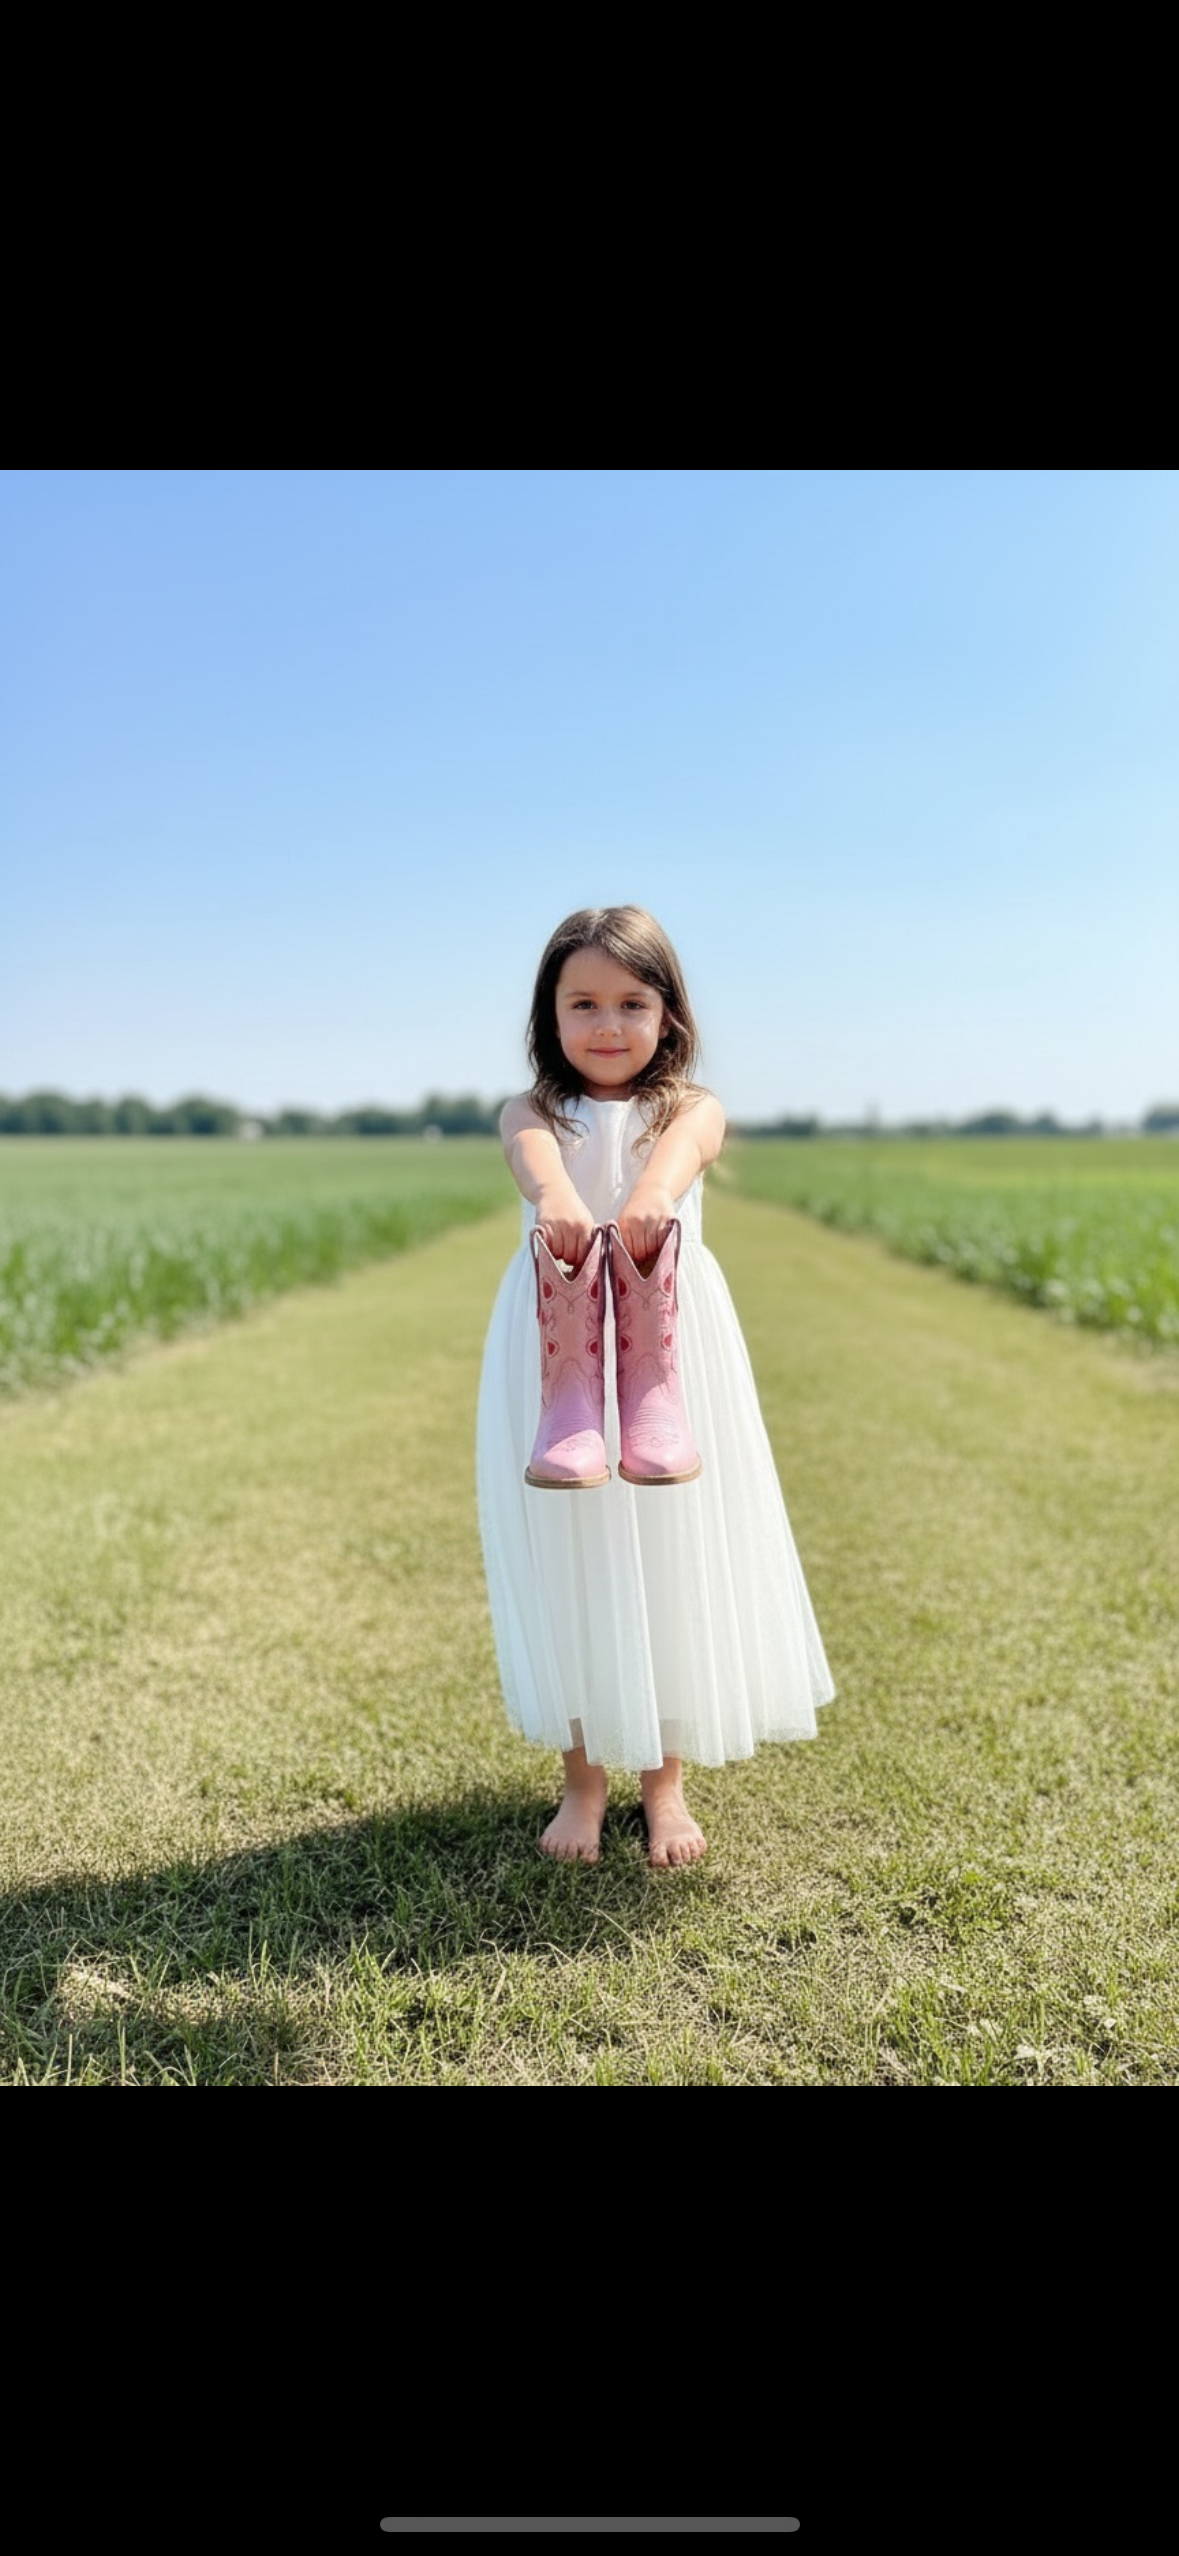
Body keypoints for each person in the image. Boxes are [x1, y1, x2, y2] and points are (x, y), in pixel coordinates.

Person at [476, 906, 835, 1867]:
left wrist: (649, 1193)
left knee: (669, 1555)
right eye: (582, 1002)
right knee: (573, 1559)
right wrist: (556, 1196)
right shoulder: (530, 1112)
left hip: (667, 1353)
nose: (606, 1024)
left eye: (631, 1002)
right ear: (548, 1015)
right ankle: (582, 1785)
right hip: (561, 1351)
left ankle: (664, 1788)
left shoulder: (691, 1108)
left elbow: (683, 1156)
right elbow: (535, 1160)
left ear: (668, 1015)